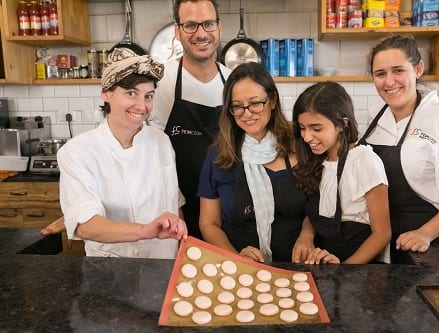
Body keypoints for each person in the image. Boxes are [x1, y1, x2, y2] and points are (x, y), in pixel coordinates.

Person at [358, 35, 439, 262]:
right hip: (376, 239)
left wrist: (426, 233)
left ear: (418, 69)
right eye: (380, 74)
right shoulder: (376, 117)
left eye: (398, 70)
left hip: (424, 246)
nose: (389, 81)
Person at [57, 47, 187, 258]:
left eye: (148, 96)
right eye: (131, 93)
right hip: (112, 268)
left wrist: (181, 245)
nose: (141, 106)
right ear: (106, 94)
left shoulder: (161, 141)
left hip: (163, 262)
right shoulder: (77, 152)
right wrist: (144, 231)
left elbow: (173, 202)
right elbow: (85, 225)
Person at [197, 62, 313, 263]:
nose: (247, 113)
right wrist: (236, 258)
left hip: (298, 267)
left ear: (272, 101)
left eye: (255, 103)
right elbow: (209, 223)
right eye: (237, 106)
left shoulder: (300, 145)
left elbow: (320, 207)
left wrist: (307, 235)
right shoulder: (218, 156)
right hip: (240, 271)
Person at [148, 0, 231, 240]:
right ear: (178, 31)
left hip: (228, 213)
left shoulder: (234, 82)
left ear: (219, 27)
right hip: (175, 214)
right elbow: (147, 155)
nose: (201, 33)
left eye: (208, 24)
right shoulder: (159, 83)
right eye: (191, 25)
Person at [292, 81, 392, 264]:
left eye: (316, 128)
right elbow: (316, 214)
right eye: (302, 128)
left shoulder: (364, 161)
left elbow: (382, 233)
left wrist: (344, 270)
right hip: (323, 262)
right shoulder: (316, 160)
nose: (306, 137)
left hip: (358, 266)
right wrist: (305, 236)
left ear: (341, 124)